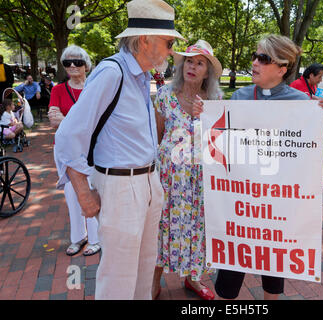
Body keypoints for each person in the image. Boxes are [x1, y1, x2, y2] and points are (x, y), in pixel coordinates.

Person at [53, 0, 185, 300]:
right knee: (118, 277)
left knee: (142, 268)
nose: (170, 50)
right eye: (167, 42)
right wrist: (83, 193)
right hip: (121, 185)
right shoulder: (112, 72)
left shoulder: (141, 75)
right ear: (144, 40)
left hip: (147, 182)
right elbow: (69, 135)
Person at [193, 34, 323, 300]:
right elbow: (221, 143)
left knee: (273, 266)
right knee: (230, 273)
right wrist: (203, 117)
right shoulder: (240, 96)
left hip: (276, 202)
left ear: (282, 68)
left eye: (263, 58)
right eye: (255, 56)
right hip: (241, 199)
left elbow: (314, 144)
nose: (255, 63)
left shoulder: (301, 103)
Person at [151, 39, 223, 300]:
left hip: (201, 180)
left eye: (200, 63)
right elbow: (157, 137)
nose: (192, 66)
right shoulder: (164, 95)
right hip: (169, 179)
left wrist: (201, 117)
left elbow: (219, 144)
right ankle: (154, 281)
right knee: (161, 227)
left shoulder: (216, 101)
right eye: (189, 61)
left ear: (208, 71)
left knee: (198, 228)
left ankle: (193, 279)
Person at [48, 45, 100, 257]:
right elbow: (53, 121)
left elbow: (99, 121)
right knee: (72, 194)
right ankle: (78, 237)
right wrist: (81, 124)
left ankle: (96, 239)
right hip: (66, 150)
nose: (72, 66)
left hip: (92, 150)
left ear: (86, 65)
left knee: (93, 191)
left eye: (77, 62)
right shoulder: (58, 90)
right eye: (67, 62)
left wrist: (67, 121)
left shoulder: (94, 88)